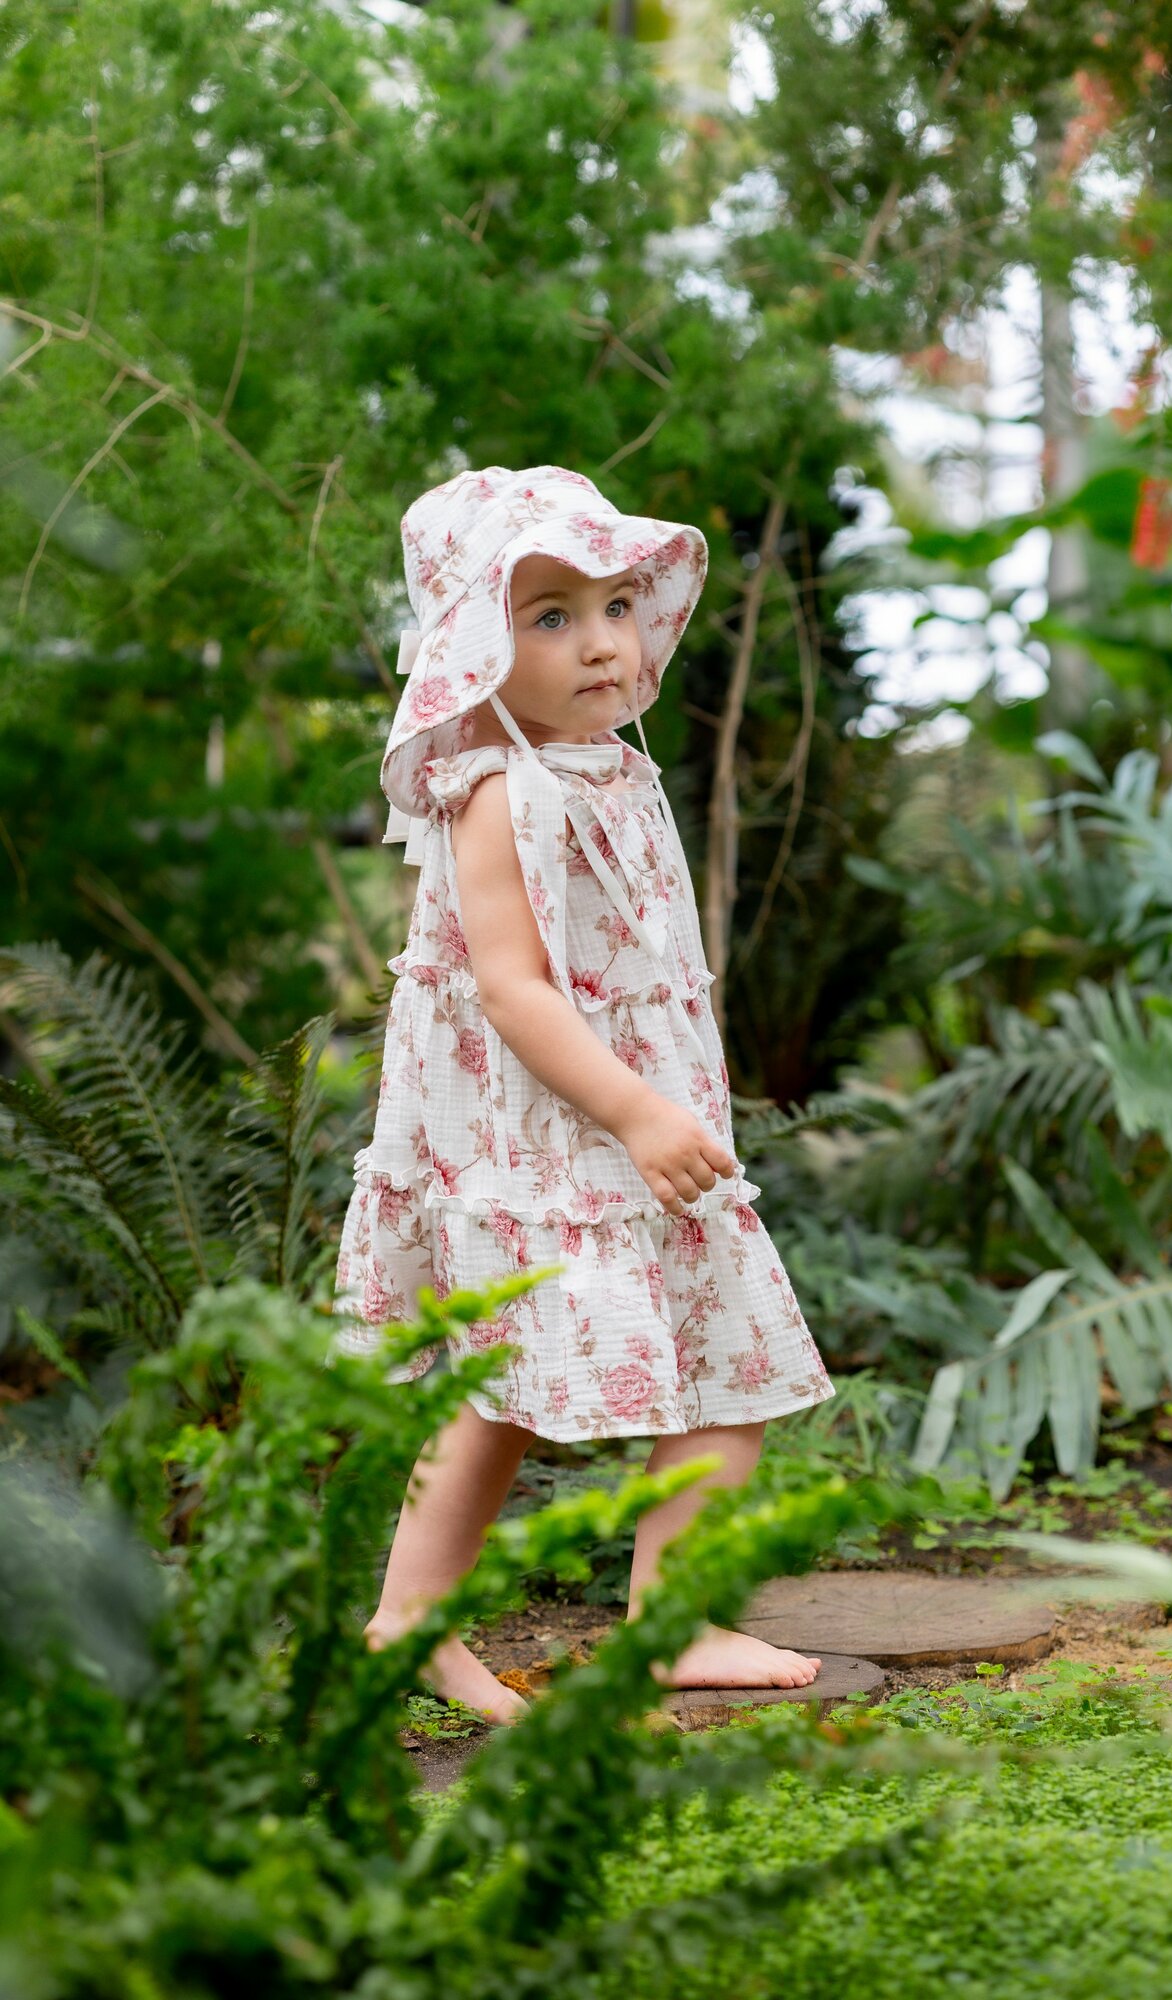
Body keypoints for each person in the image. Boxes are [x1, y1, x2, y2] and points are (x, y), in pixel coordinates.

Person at [330, 464, 837, 1723]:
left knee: (732, 1361)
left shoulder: (614, 767)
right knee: (493, 1392)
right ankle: (409, 1619)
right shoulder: (501, 790)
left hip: (647, 1123)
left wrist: (671, 1099)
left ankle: (671, 1621)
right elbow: (513, 990)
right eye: (549, 616)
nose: (602, 641)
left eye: (613, 605)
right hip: (546, 1139)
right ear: (471, 651)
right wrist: (637, 1111)